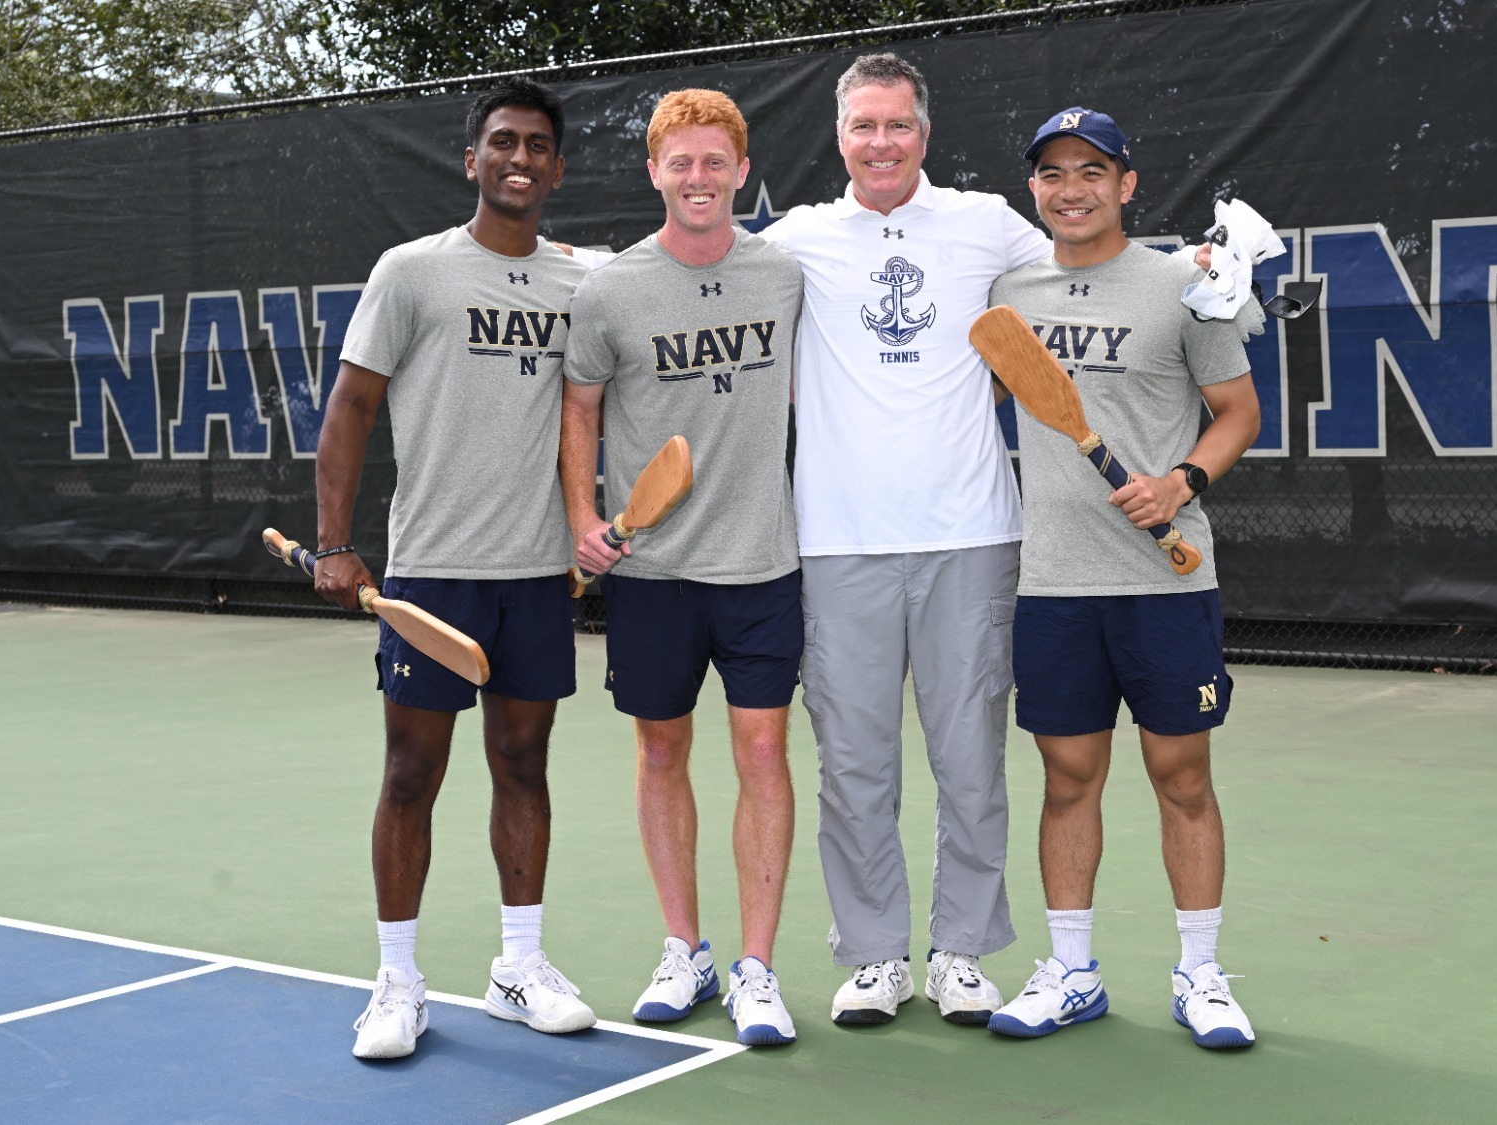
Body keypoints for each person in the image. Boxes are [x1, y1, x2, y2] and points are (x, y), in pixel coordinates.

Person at [758, 52, 1049, 1026]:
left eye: (896, 126)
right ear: (839, 138)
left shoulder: (985, 224)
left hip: (970, 539)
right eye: (861, 127)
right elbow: (687, 266)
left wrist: (1202, 271)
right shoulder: (795, 238)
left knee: (970, 757)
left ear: (923, 135)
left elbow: (1087, 264)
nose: (879, 143)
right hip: (837, 545)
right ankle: (875, 955)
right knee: (853, 766)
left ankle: (960, 952)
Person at [315, 76, 595, 1060]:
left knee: (523, 764)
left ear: (556, 168)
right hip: (431, 573)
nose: (519, 158)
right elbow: (350, 407)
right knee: (410, 774)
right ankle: (396, 983)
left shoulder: (581, 283)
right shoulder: (412, 272)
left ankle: (519, 966)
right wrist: (336, 541)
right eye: (501, 142)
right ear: (471, 158)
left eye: (536, 147)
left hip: (535, 579)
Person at [981, 107, 1263, 1049]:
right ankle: (1071, 970)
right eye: (1054, 173)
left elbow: (1235, 412)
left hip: (1168, 583)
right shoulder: (1009, 290)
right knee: (1068, 778)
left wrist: (1181, 481)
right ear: (1035, 188)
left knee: (1181, 775)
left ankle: (1201, 973)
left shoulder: (1183, 287)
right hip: (1055, 582)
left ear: (1127, 184)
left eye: (1092, 171)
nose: (1073, 188)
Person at [559, 89, 806, 1047]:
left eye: (715, 163)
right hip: (651, 572)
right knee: (661, 750)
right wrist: (582, 517)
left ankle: (756, 968)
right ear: (654, 172)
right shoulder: (611, 289)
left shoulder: (785, 272)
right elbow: (580, 409)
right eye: (680, 163)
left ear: (742, 172)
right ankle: (683, 948)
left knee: (759, 753)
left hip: (760, 564)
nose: (698, 179)